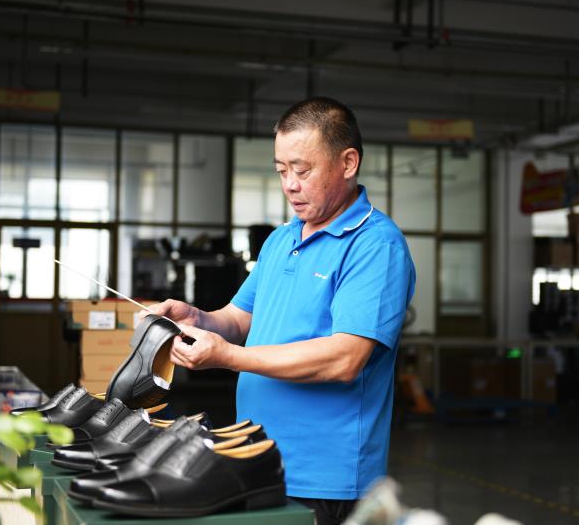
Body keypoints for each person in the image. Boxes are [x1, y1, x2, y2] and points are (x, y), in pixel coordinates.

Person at [144, 97, 415, 525]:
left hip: (324, 479)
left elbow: (346, 358)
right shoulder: (280, 240)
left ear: (348, 163)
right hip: (254, 459)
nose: (290, 185)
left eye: (302, 171)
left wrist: (228, 357)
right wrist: (198, 319)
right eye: (281, 171)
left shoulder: (375, 246)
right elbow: (240, 319)